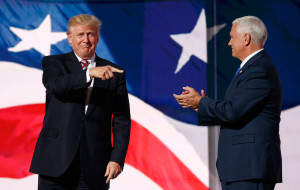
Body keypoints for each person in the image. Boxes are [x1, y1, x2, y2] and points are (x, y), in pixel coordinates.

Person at [173, 16, 282, 190]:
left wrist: (202, 102)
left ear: (246, 38)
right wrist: (199, 105)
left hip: (250, 169)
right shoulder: (251, 68)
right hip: (243, 169)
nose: (229, 42)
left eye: (232, 37)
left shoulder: (259, 70)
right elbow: (235, 112)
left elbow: (233, 112)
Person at [30, 14, 131, 190]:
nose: (86, 39)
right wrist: (88, 74)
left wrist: (117, 158)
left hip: (95, 164)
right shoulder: (54, 63)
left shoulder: (114, 72)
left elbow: (121, 120)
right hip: (55, 162)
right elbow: (56, 86)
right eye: (80, 34)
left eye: (91, 34)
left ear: (98, 38)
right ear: (69, 38)